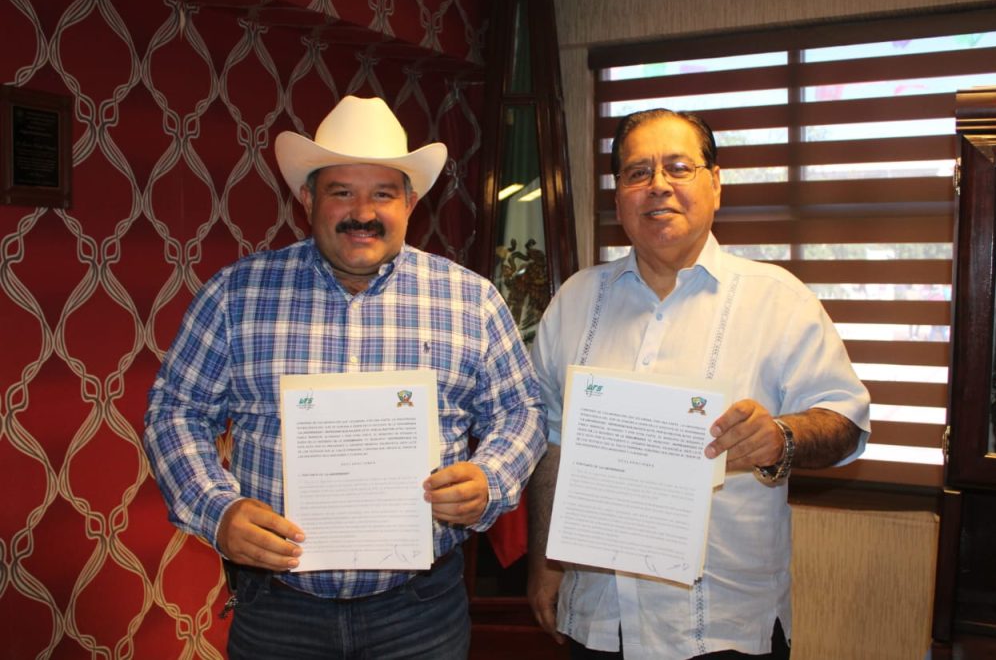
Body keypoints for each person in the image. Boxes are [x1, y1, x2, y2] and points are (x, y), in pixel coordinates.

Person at [144, 95, 547, 659]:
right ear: (309, 199)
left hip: (420, 613)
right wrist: (218, 510)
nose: (363, 211)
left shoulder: (470, 300)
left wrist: (490, 479)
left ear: (410, 202)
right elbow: (175, 411)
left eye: (383, 193)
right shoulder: (236, 295)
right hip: (278, 610)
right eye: (341, 192)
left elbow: (521, 411)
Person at [526, 108, 870, 659]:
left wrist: (779, 437)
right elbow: (552, 442)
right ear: (619, 196)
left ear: (716, 184)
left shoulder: (778, 299)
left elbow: (846, 423)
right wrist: (544, 562)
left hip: (725, 623)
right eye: (638, 172)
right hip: (599, 618)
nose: (658, 185)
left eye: (679, 167)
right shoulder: (574, 302)